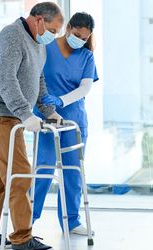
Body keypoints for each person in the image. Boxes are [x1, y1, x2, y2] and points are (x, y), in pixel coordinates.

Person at [0, 2, 64, 250]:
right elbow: (6, 80)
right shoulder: (12, 35)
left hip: (12, 115)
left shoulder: (39, 44)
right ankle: (23, 237)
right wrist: (25, 114)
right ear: (39, 20)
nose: (53, 36)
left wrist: (48, 111)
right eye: (53, 30)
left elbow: (39, 81)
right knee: (20, 173)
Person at [32, 12, 98, 236]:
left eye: (85, 37)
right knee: (44, 167)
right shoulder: (46, 47)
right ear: (68, 28)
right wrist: (46, 106)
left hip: (74, 118)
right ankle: (27, 220)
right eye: (77, 35)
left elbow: (85, 87)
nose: (80, 40)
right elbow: (33, 77)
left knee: (72, 171)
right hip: (47, 117)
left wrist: (61, 100)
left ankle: (71, 221)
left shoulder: (87, 56)